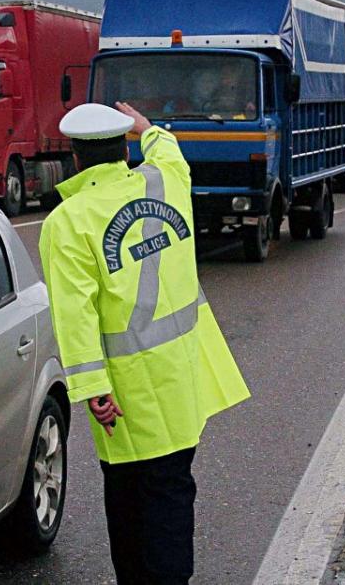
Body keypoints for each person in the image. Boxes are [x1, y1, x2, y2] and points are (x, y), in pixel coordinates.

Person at [38, 102, 250, 584]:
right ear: (123, 148)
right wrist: (148, 127)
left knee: (136, 507)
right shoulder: (165, 183)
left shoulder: (69, 222)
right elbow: (171, 153)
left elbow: (76, 314)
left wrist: (92, 387)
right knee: (167, 495)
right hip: (182, 379)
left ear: (75, 158)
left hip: (128, 394)